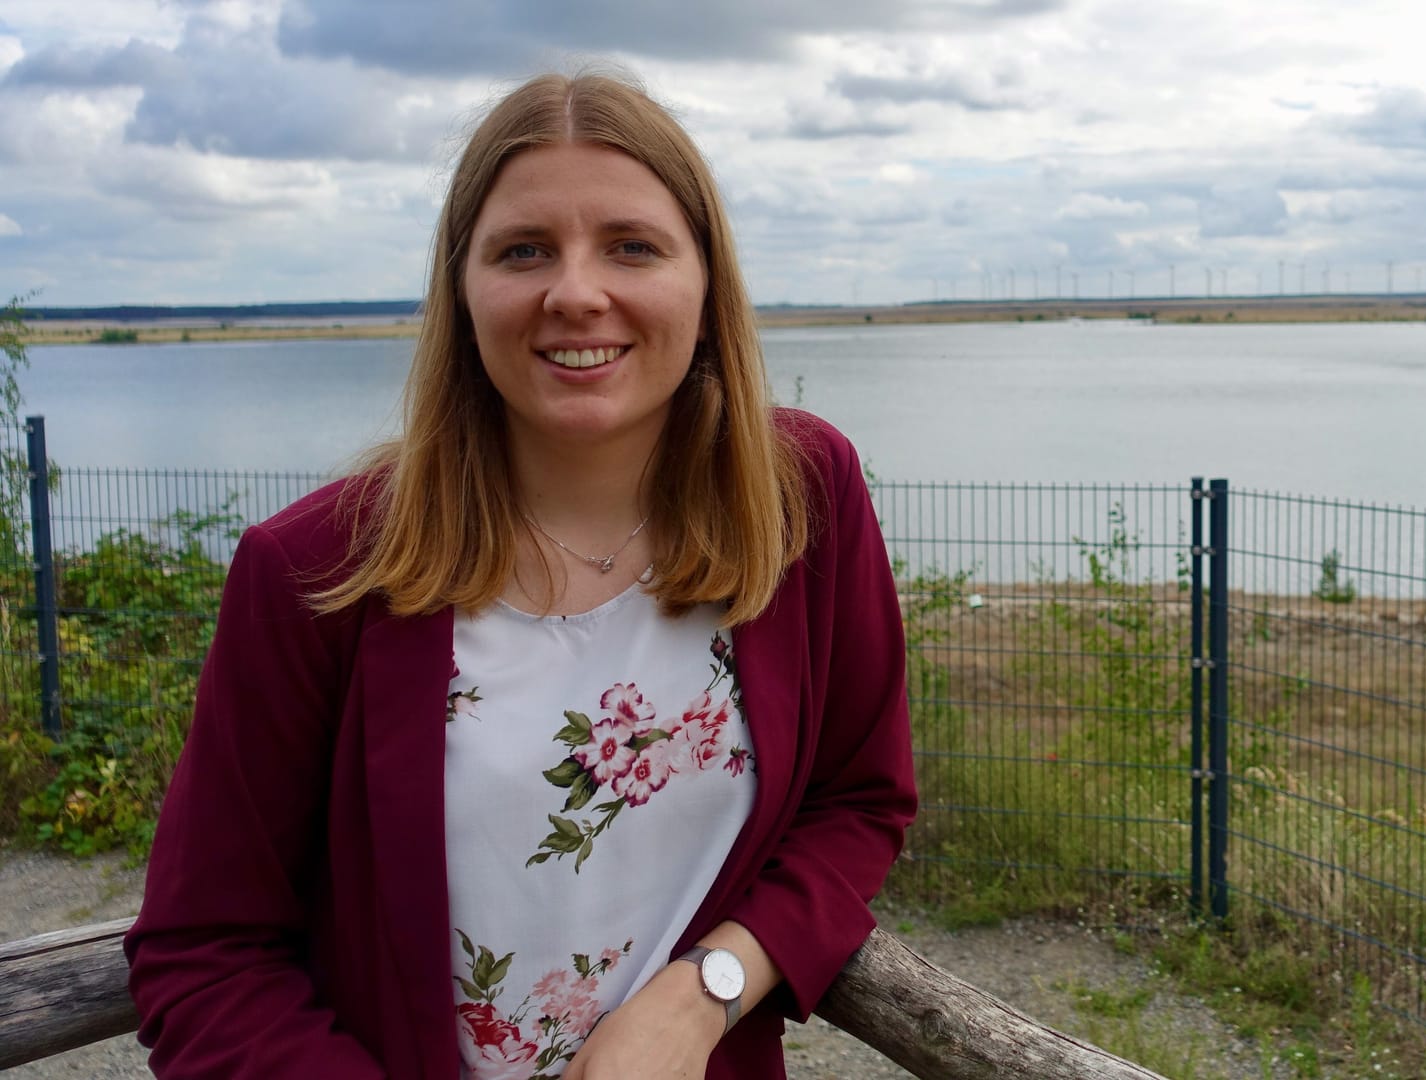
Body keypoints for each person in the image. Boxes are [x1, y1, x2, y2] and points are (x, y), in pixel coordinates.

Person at [124, 68, 917, 1080]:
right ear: (463, 292)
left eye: (633, 245)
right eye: (523, 251)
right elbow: (204, 955)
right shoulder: (315, 572)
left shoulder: (802, 498)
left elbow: (858, 805)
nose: (576, 291)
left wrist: (706, 992)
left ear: (707, 285)